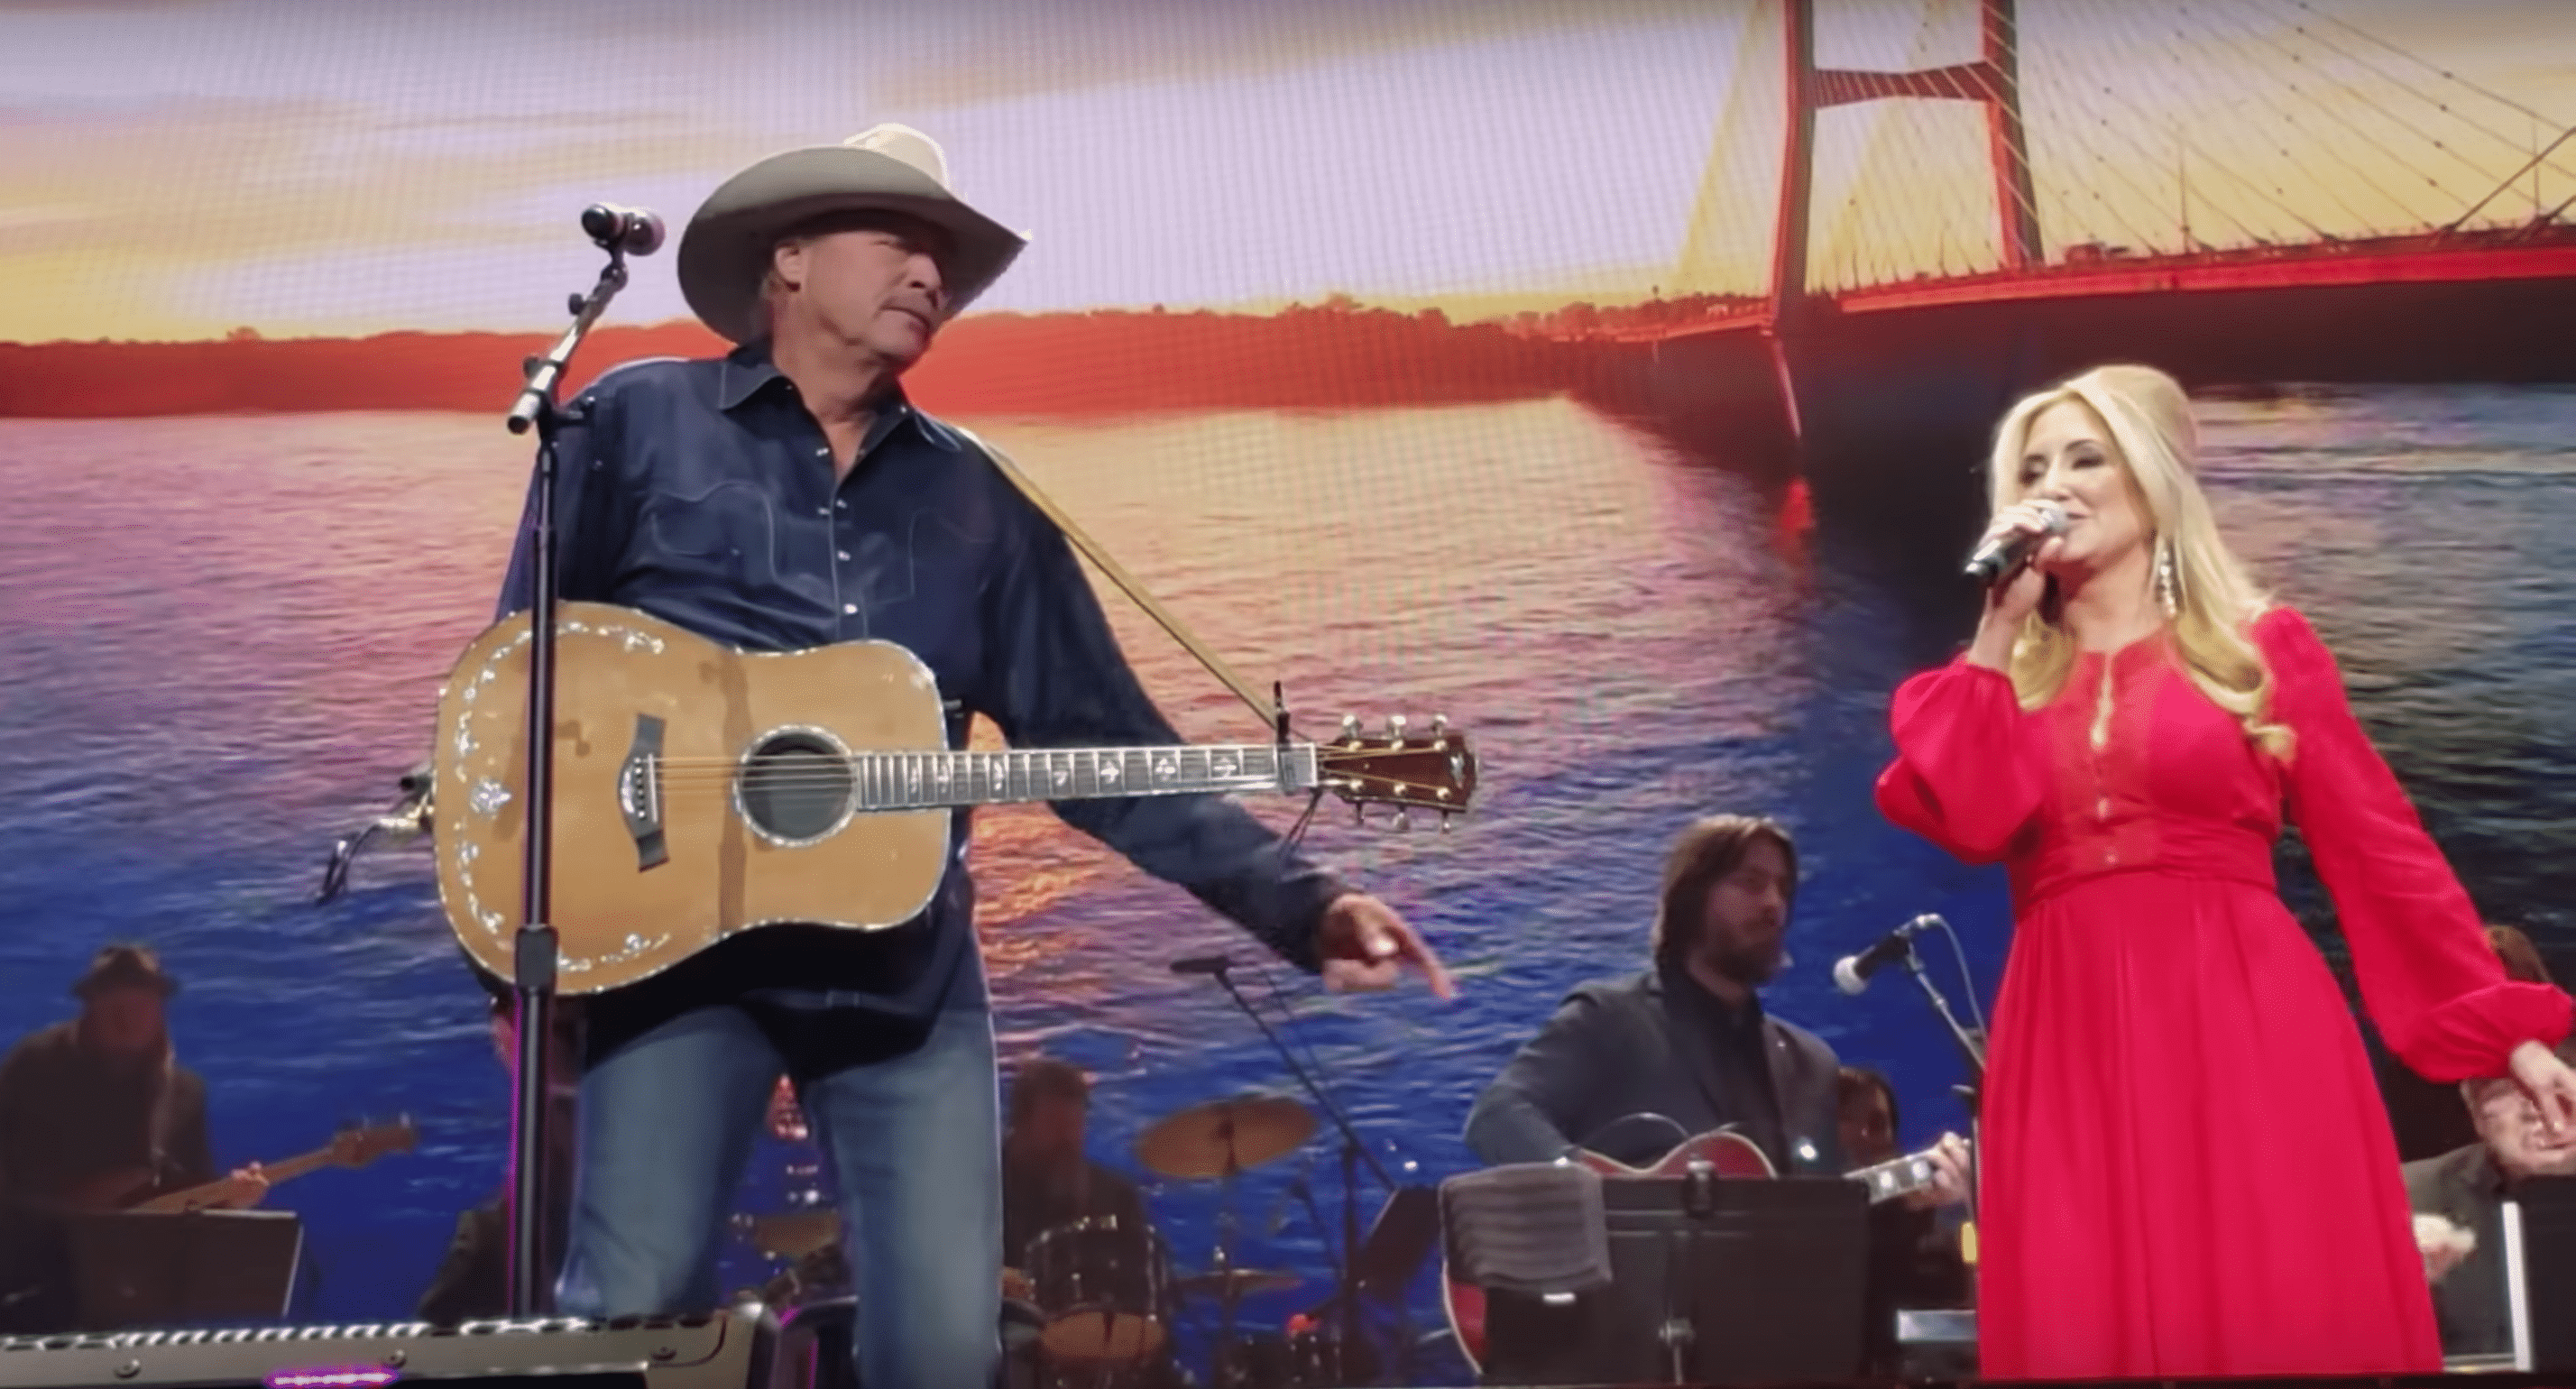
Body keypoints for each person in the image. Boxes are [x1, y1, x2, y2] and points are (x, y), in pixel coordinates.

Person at [491, 124, 1449, 1388]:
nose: (931, 276)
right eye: (899, 241)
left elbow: (1105, 746)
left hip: (905, 977)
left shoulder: (979, 498)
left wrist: (1304, 900)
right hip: (678, 962)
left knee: (947, 1349)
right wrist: (516, 959)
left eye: (943, 258)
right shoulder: (635, 419)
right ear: (789, 259)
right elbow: (514, 694)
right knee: (627, 1312)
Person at [1872, 362, 2576, 1378]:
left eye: (2085, 455)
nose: (2055, 482)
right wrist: (1995, 626)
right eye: (2033, 467)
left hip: (2242, 1022)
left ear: (2152, 480)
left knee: (2269, 1311)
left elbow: (2382, 855)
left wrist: (2504, 1032)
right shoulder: (2001, 686)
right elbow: (1972, 820)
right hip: (2065, 1047)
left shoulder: (2258, 650)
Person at [1462, 812, 1967, 1182]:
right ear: (1690, 899)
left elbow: (1825, 1228)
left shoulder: (1811, 1064)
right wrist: (1595, 1196)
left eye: (1783, 889)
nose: (1773, 904)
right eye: (1750, 883)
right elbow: (1498, 1116)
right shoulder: (1611, 1020)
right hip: (1623, 1315)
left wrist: (1915, 1199)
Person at [0, 945, 265, 1331]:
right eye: (114, 1007)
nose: (128, 1020)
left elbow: (191, 1193)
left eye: (142, 1006)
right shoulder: (34, 1064)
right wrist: (72, 1204)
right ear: (89, 1010)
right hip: (26, 1280)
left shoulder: (183, 1093)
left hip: (127, 1290)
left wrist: (233, 1201)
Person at [2405, 1036, 2576, 1357]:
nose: (2538, 1109)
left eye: (2562, 1081)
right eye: (2507, 1090)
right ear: (2476, 1116)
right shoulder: (2406, 1197)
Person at [998, 1058, 1151, 1274]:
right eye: (1055, 1125)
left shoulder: (1116, 1197)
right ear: (1020, 1124)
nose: (1067, 1139)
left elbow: (1139, 1283)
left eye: (1075, 1125)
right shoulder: (981, 1194)